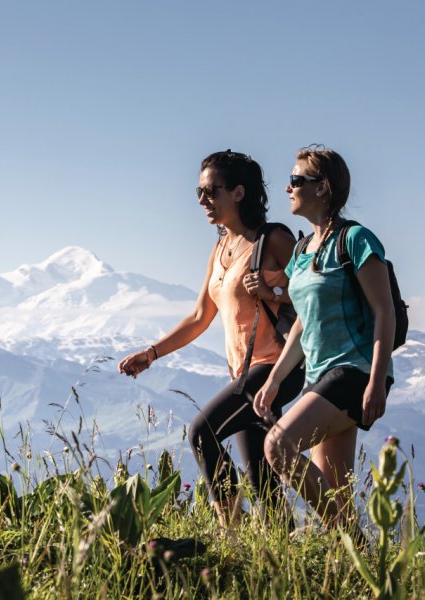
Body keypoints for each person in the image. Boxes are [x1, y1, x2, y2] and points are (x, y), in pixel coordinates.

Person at [118, 150, 303, 528]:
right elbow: (201, 317)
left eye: (210, 190)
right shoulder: (220, 250)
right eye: (199, 191)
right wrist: (151, 354)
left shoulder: (274, 240)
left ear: (238, 192)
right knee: (261, 477)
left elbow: (311, 296)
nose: (202, 199)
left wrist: (275, 295)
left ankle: (229, 530)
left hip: (276, 368)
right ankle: (282, 560)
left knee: (202, 434)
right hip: (244, 373)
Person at [252, 145, 395, 530]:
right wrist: (275, 379)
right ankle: (361, 575)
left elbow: (386, 311)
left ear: (323, 187)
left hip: (354, 371)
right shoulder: (302, 250)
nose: (288, 187)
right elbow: (301, 323)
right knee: (334, 489)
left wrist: (377, 381)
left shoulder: (357, 240)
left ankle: (356, 542)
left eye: (297, 180)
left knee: (277, 447)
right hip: (320, 374)